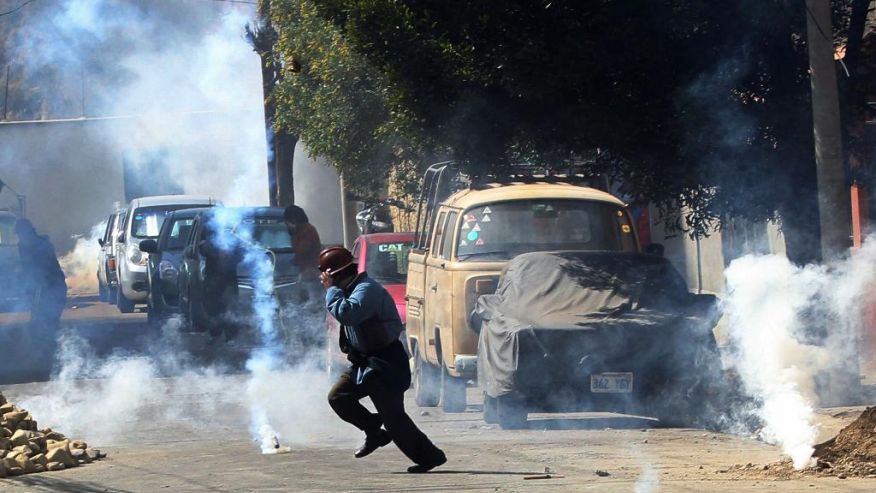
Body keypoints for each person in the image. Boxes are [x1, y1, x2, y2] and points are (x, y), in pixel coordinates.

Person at [321, 246, 446, 473]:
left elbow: (348, 313)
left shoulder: (367, 290)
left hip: (385, 363)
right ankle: (374, 431)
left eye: (328, 277)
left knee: (394, 418)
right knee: (339, 397)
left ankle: (430, 457)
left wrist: (331, 290)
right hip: (365, 363)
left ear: (337, 274)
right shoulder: (349, 290)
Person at [14, 219, 67, 333]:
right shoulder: (22, 246)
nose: (20, 237)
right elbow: (26, 267)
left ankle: (54, 338)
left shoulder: (43, 245)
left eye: (21, 234)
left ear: (28, 232)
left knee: (50, 320)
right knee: (38, 320)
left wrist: (39, 282)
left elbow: (46, 267)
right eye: (19, 235)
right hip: (39, 286)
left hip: (53, 284)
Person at [284, 205, 323, 311]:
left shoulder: (307, 231)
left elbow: (301, 250)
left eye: (287, 222)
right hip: (306, 273)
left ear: (294, 219)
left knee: (312, 305)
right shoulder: (301, 231)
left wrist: (293, 235)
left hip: (312, 274)